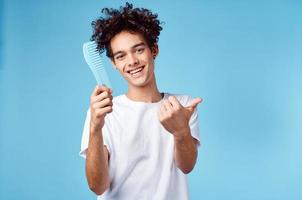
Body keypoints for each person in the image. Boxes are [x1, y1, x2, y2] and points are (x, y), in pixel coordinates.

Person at [80, 2, 202, 200]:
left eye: (138, 50)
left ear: (153, 50)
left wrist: (181, 131)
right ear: (114, 64)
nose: (132, 61)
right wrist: (95, 127)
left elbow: (186, 166)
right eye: (121, 56)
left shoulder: (181, 106)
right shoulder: (103, 113)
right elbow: (97, 186)